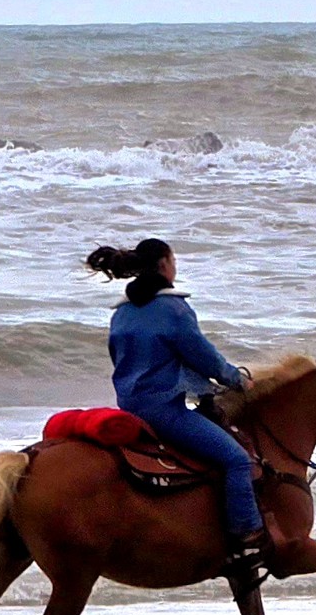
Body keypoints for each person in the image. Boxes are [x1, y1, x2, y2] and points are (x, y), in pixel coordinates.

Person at [84, 237, 266, 581]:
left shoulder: (121, 313)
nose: (175, 266)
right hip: (164, 411)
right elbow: (204, 356)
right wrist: (237, 380)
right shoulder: (175, 310)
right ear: (165, 265)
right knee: (237, 460)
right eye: (174, 260)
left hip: (129, 406)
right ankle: (247, 539)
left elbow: (120, 359)